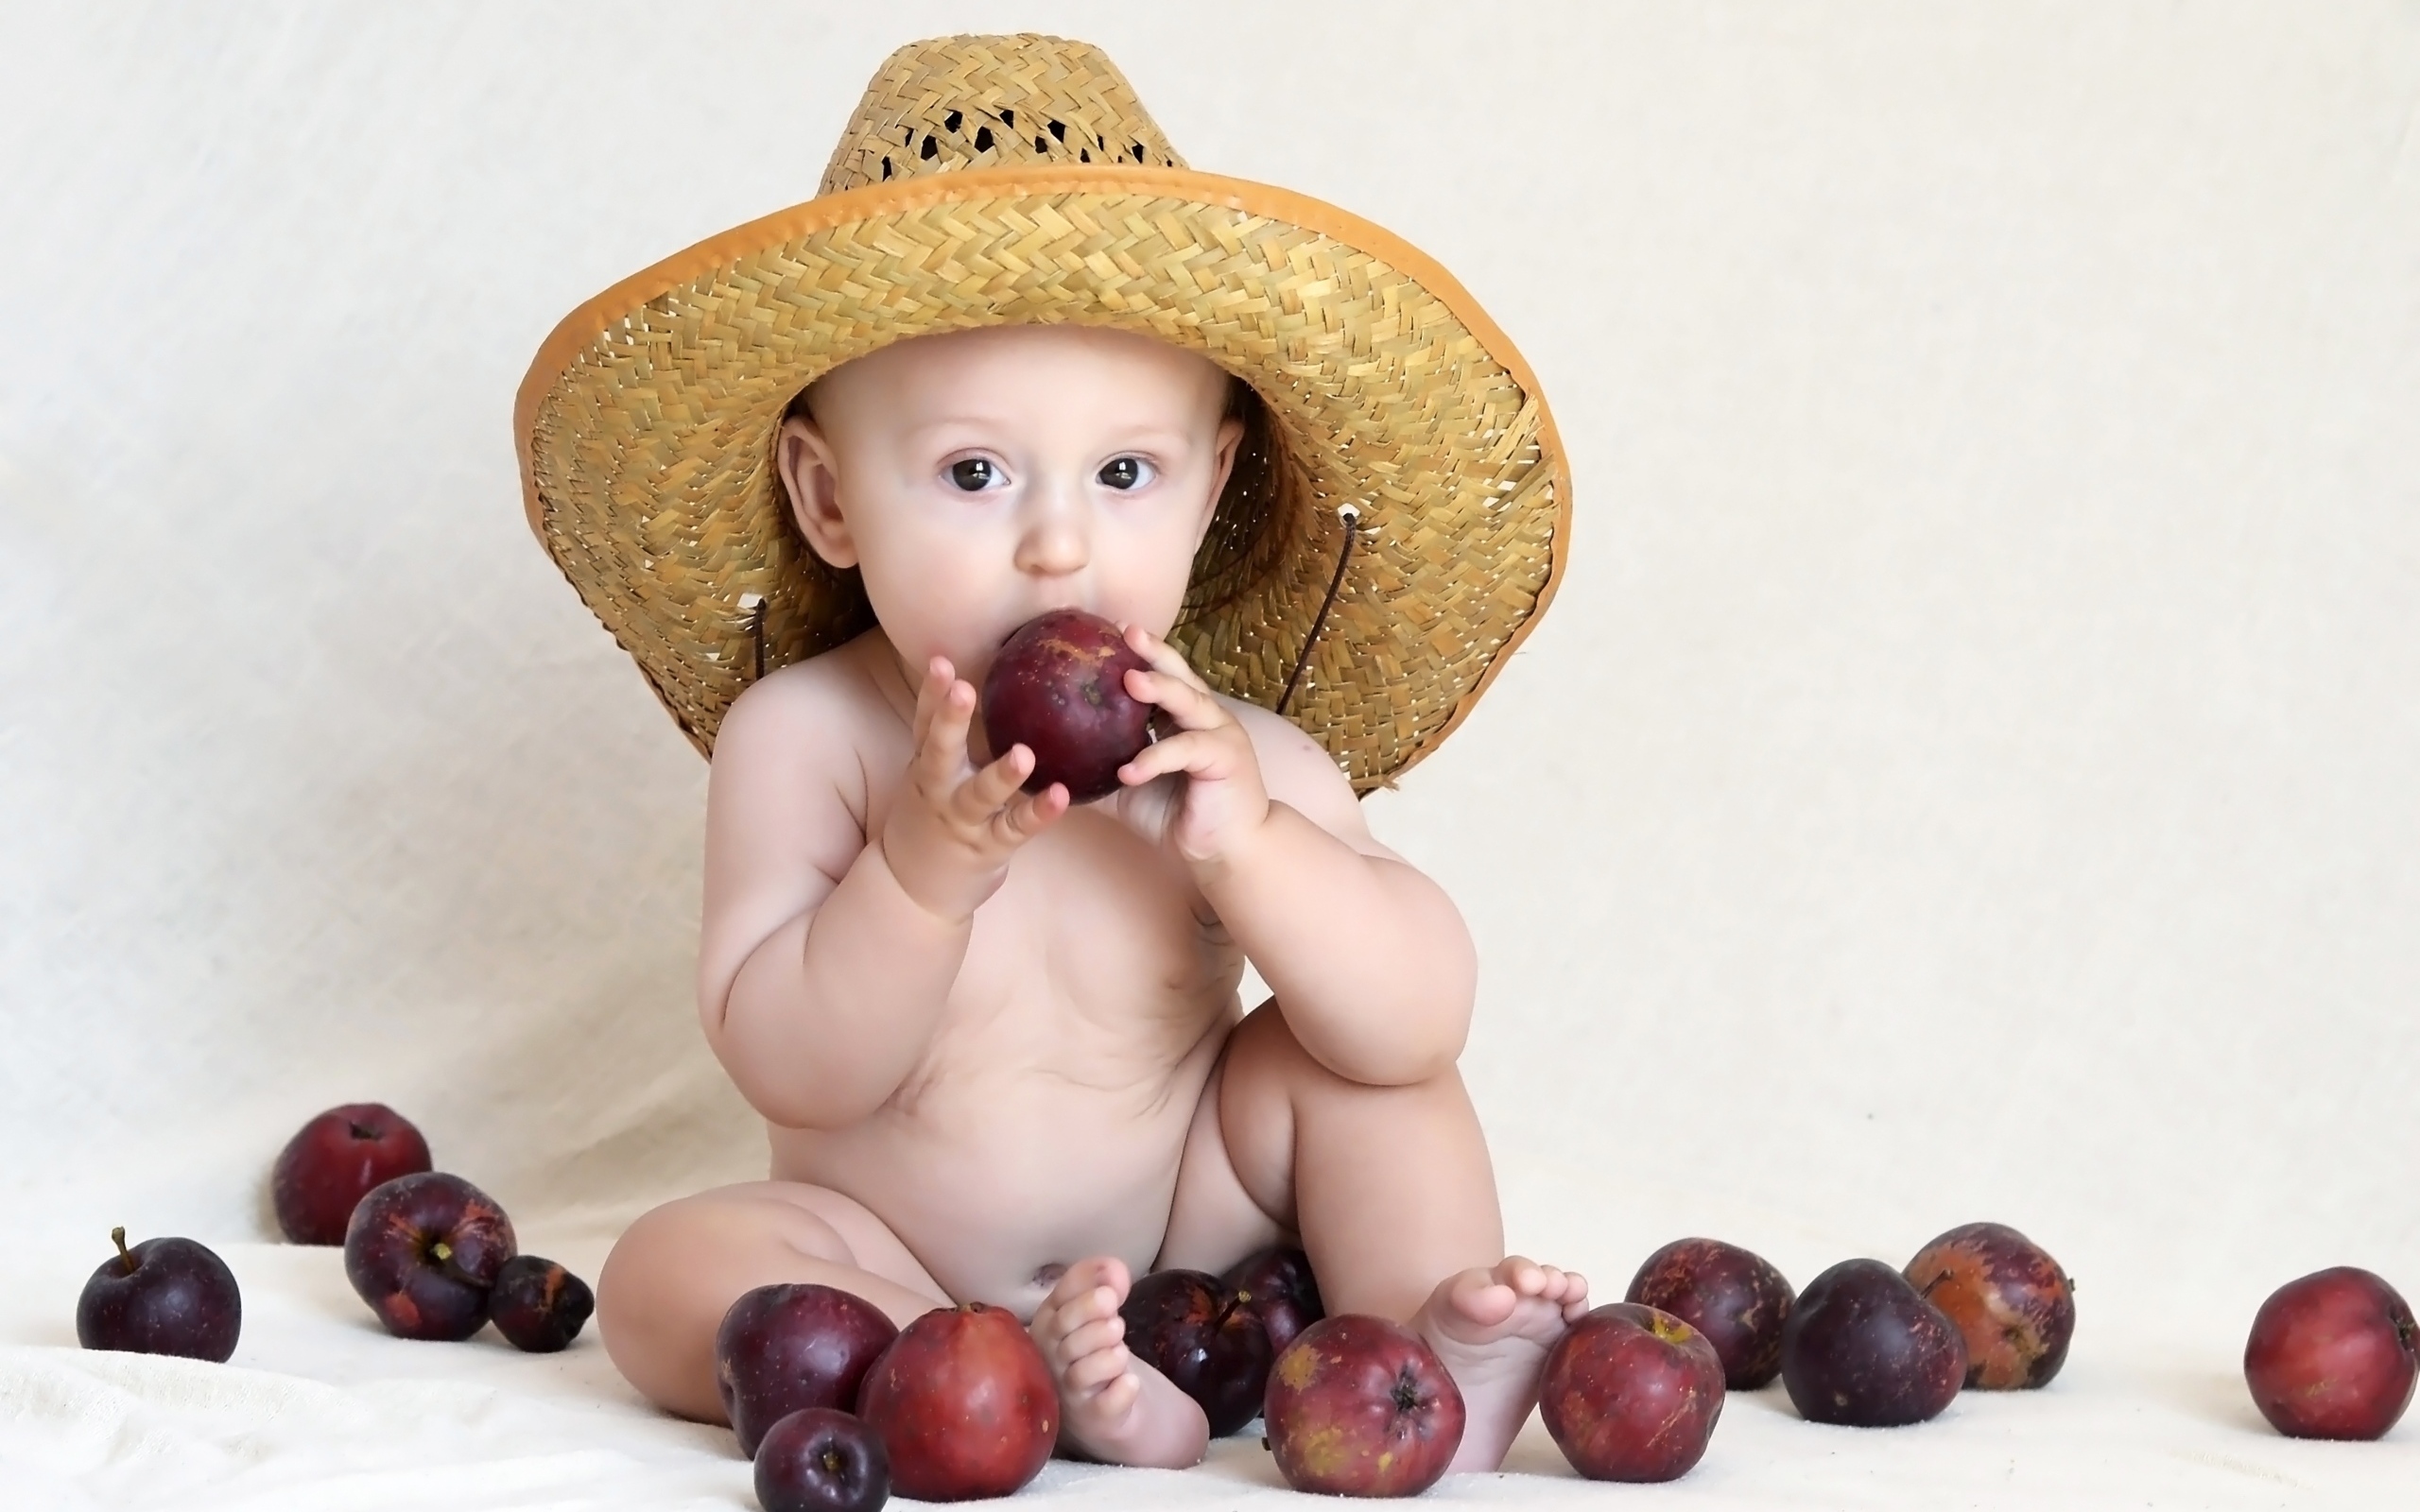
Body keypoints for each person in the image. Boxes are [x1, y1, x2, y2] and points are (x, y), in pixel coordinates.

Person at [512, 33, 1576, 1473]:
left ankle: (1407, 1351)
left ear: (1209, 495)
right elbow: (792, 1065)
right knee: (664, 1277)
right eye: (972, 473)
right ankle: (979, 1376)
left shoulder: (1235, 762)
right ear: (830, 502)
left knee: (1357, 1076)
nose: (1058, 540)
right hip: (889, 1251)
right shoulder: (810, 740)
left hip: (1191, 1239)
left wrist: (1254, 849)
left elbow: (1417, 1017)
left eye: (1125, 474)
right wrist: (921, 870)